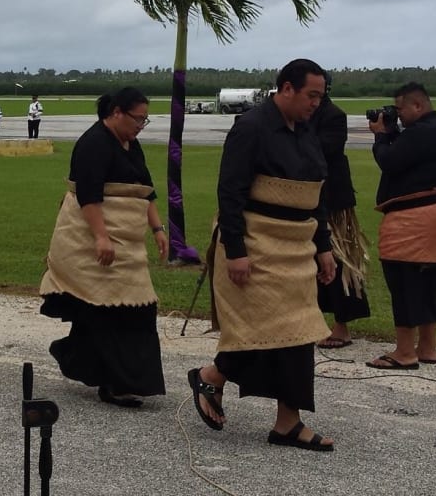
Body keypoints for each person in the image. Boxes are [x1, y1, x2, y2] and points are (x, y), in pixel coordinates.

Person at [188, 58, 337, 451]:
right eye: (311, 95)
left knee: (299, 333)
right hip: (257, 245)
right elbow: (231, 191)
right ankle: (215, 377)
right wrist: (235, 250)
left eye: (321, 97)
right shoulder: (251, 128)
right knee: (266, 333)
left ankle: (283, 420)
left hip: (297, 248)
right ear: (286, 88)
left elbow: (315, 197)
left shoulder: (307, 132)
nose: (316, 104)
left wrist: (324, 247)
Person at [39, 87, 168, 408]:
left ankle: (78, 357)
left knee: (125, 309)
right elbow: (89, 195)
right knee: (113, 309)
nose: (141, 125)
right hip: (91, 238)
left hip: (128, 241)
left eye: (145, 119)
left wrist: (158, 229)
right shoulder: (93, 144)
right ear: (116, 113)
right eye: (138, 118)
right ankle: (116, 383)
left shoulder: (132, 145)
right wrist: (101, 236)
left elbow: (145, 191)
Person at [366, 82, 436, 370]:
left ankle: (405, 351)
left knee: (403, 278)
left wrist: (381, 137)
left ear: (417, 106)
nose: (398, 115)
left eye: (401, 109)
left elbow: (390, 161)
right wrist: (393, 133)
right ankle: (427, 347)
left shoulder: (423, 132)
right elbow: (407, 157)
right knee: (432, 281)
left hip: (413, 218)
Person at [309, 76, 370, 348]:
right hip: (307, 199)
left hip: (331, 202)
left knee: (337, 260)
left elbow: (321, 151)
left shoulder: (334, 116)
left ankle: (341, 325)